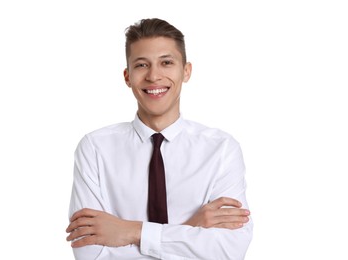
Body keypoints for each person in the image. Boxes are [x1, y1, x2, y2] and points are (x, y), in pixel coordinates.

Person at [66, 18, 253, 259]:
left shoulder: (222, 149)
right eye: (142, 65)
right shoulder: (94, 148)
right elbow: (90, 254)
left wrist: (131, 231)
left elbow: (228, 251)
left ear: (186, 71)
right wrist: (190, 229)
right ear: (127, 76)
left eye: (166, 62)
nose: (154, 76)